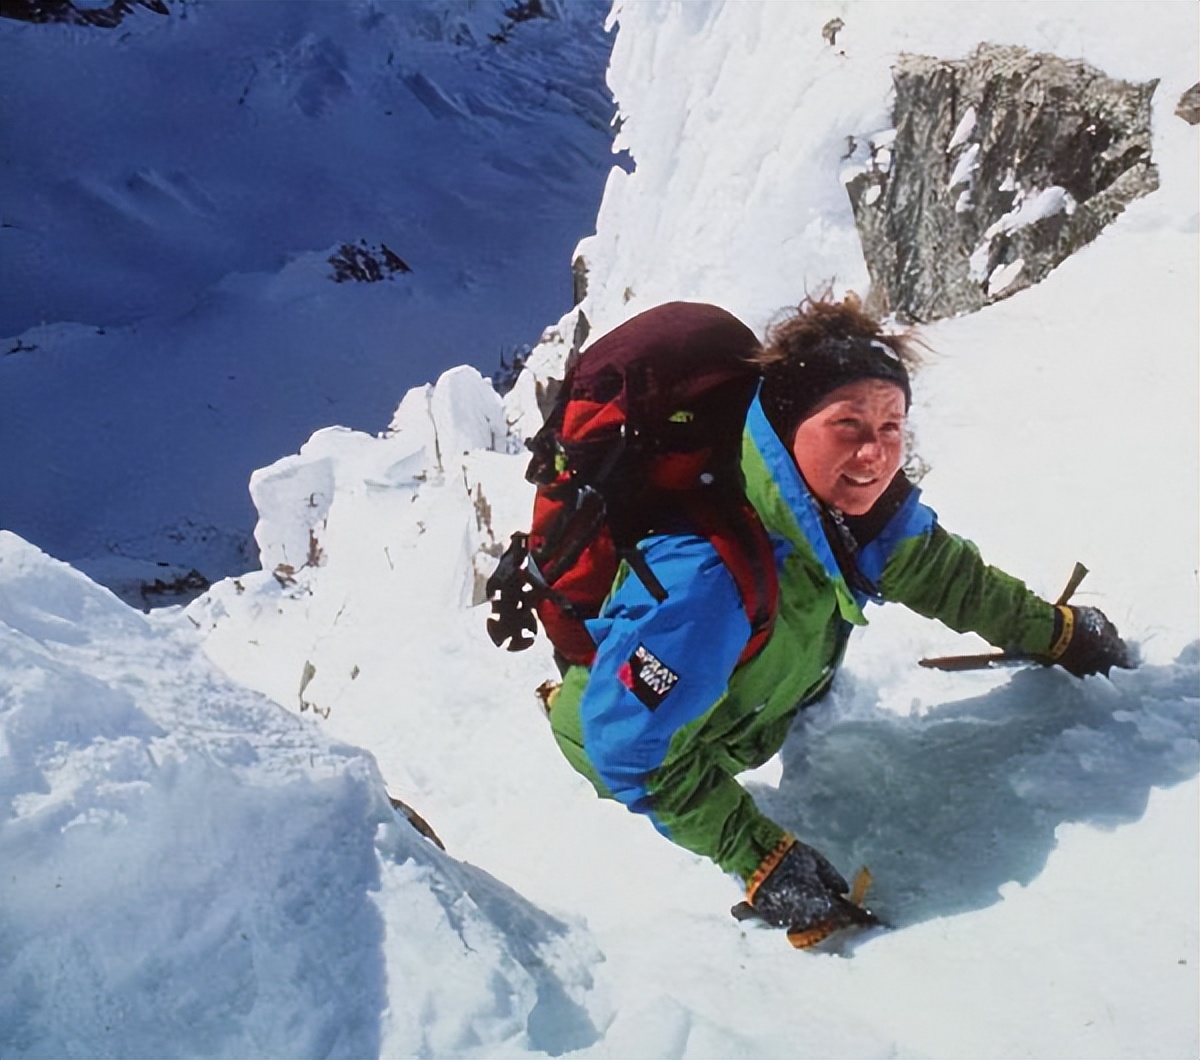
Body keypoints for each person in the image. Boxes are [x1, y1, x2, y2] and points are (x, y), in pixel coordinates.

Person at [545, 292, 1131, 945]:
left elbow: (952, 580)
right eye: (848, 425)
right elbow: (623, 747)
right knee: (623, 727)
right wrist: (758, 858)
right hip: (649, 727)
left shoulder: (853, 516)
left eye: (890, 427)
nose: (875, 455)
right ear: (786, 429)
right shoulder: (707, 585)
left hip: (757, 694)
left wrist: (1059, 633)